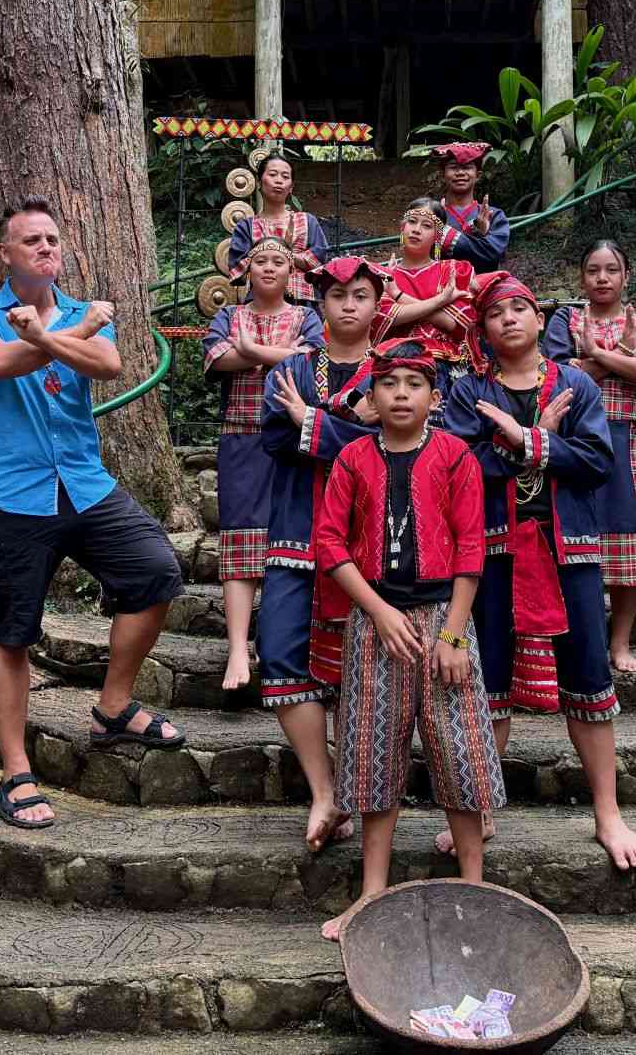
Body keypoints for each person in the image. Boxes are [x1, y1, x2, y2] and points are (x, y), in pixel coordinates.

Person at [0, 195, 187, 829]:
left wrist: (51, 335)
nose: (45, 247)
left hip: (84, 485)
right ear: (4, 253)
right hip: (8, 495)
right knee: (10, 632)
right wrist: (66, 335)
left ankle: (113, 707)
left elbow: (107, 365)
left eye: (52, 239)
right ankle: (15, 772)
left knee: (155, 571)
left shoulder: (83, 311)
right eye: (31, 240)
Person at [445, 272, 636, 873]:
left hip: (568, 549)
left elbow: (597, 461)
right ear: (482, 330)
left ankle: (607, 812)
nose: (508, 318)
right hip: (493, 552)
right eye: (494, 313)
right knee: (487, 682)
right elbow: (459, 467)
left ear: (540, 321)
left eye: (519, 308)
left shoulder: (576, 384)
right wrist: (521, 443)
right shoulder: (468, 392)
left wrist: (529, 442)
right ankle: (481, 808)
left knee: (588, 674)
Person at [311, 338, 502, 942]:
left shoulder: (455, 456)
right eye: (389, 383)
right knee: (373, 749)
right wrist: (376, 610)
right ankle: (372, 893)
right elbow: (329, 542)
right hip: (375, 622)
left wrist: (453, 634)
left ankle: (473, 886)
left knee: (458, 746)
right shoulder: (352, 459)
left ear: (434, 397)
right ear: (371, 396)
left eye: (414, 384)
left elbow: (471, 545)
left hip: (446, 617)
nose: (400, 394)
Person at [261, 256, 389, 851]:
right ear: (319, 303)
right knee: (281, 654)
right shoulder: (290, 367)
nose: (348, 305)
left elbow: (394, 441)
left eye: (360, 295)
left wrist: (311, 420)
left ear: (377, 304)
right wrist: (340, 417)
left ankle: (357, 791)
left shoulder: (394, 369)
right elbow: (275, 438)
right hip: (297, 530)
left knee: (358, 667)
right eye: (337, 295)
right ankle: (324, 790)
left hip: (370, 539)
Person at [542, 240, 636, 674]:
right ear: (582, 278)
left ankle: (620, 643)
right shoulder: (564, 321)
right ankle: (584, 642)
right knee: (577, 542)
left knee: (628, 540)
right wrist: (624, 357)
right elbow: (560, 376)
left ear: (626, 276)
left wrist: (595, 355)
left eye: (611, 270)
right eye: (593, 270)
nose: (602, 278)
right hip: (577, 441)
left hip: (628, 441)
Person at [204, 237, 327, 692]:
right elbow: (218, 358)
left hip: (293, 439)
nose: (270, 268)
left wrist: (251, 351)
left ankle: (281, 638)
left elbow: (313, 362)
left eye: (279, 261)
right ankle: (238, 646)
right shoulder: (229, 315)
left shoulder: (306, 316)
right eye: (261, 261)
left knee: (290, 536)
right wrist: (280, 354)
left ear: (291, 271)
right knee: (239, 536)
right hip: (242, 435)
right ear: (247, 270)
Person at [379, 197, 479, 416]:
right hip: (394, 364)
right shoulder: (383, 275)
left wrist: (398, 296)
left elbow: (454, 324)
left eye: (426, 225)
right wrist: (440, 302)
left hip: (444, 364)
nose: (416, 230)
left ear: (438, 236)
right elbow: (387, 318)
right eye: (412, 222)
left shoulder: (453, 270)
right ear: (402, 227)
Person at [229, 152, 330, 304]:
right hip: (258, 302)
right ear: (259, 182)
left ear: (291, 187)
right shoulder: (246, 227)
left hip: (302, 302)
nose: (279, 180)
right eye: (272, 174)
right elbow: (237, 270)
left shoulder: (308, 221)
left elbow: (319, 260)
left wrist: (265, 256)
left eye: (285, 176)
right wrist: (293, 258)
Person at [429, 142, 510, 269]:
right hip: (440, 280)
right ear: (442, 175)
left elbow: (494, 253)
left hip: (484, 280)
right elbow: (420, 254)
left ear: (478, 176)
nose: (460, 172)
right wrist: (480, 239)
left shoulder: (495, 215)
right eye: (453, 167)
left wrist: (444, 234)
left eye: (467, 167)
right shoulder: (430, 214)